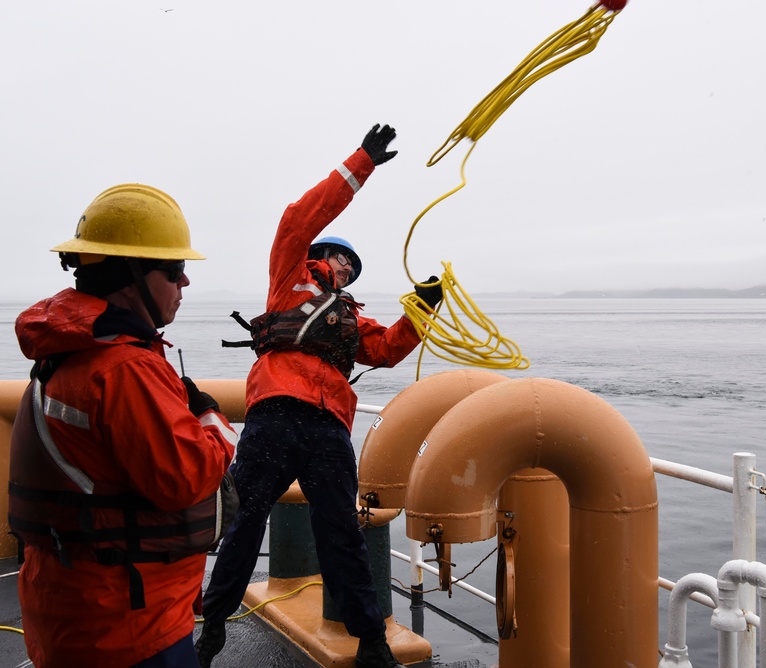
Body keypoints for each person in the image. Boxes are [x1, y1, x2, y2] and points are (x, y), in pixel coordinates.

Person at [197, 124, 441, 668]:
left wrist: (424, 307)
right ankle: (213, 624)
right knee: (244, 523)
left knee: (342, 535)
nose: (347, 269)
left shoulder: (352, 318)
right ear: (320, 252)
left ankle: (371, 639)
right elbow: (298, 218)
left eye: (353, 267)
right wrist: (363, 163)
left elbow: (386, 349)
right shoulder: (289, 276)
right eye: (341, 259)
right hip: (275, 416)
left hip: (329, 431)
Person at [8, 184, 239, 667]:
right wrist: (212, 419)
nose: (185, 284)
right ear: (130, 277)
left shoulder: (63, 355)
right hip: (130, 625)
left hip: (70, 609)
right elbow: (186, 477)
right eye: (176, 271)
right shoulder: (123, 369)